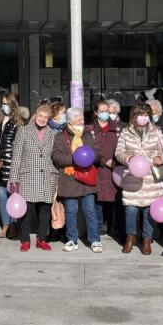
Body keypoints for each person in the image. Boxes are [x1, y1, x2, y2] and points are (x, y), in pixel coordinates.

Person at [115, 105, 163, 255]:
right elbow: (118, 152)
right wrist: (128, 158)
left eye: (146, 115)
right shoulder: (126, 132)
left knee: (148, 211)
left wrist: (160, 158)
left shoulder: (156, 131)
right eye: (140, 115)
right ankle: (130, 238)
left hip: (151, 178)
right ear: (134, 116)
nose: (143, 117)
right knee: (131, 210)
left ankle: (146, 240)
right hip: (133, 177)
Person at [9, 103, 58, 252]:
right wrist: (13, 179)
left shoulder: (53, 133)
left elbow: (54, 157)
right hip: (28, 176)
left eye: (46, 117)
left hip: (47, 176)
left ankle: (41, 238)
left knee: (44, 210)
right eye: (40, 116)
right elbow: (16, 156)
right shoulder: (23, 131)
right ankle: (25, 240)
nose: (43, 119)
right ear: (35, 116)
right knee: (26, 211)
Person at [51, 107, 101, 252]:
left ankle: (95, 240)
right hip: (70, 179)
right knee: (71, 210)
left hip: (87, 178)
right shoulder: (60, 137)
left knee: (90, 209)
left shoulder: (88, 136)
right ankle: (72, 239)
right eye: (79, 118)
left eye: (83, 118)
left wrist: (90, 157)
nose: (82, 120)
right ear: (70, 120)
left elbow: (98, 153)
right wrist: (74, 159)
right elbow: (56, 157)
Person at [0, 92, 24, 239]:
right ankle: (6, 225)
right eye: (3, 103)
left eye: (7, 104)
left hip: (12, 162)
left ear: (13, 105)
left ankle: (15, 224)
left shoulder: (19, 121)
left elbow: (21, 143)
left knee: (13, 194)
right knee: (2, 195)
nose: (4, 106)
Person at [89, 100, 120, 239]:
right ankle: (98, 228)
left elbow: (122, 148)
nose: (105, 113)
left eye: (107, 110)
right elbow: (88, 150)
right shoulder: (90, 130)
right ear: (96, 112)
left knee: (115, 200)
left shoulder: (118, 129)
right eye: (101, 111)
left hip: (115, 171)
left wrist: (116, 160)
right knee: (98, 201)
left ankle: (116, 228)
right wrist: (102, 161)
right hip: (98, 170)